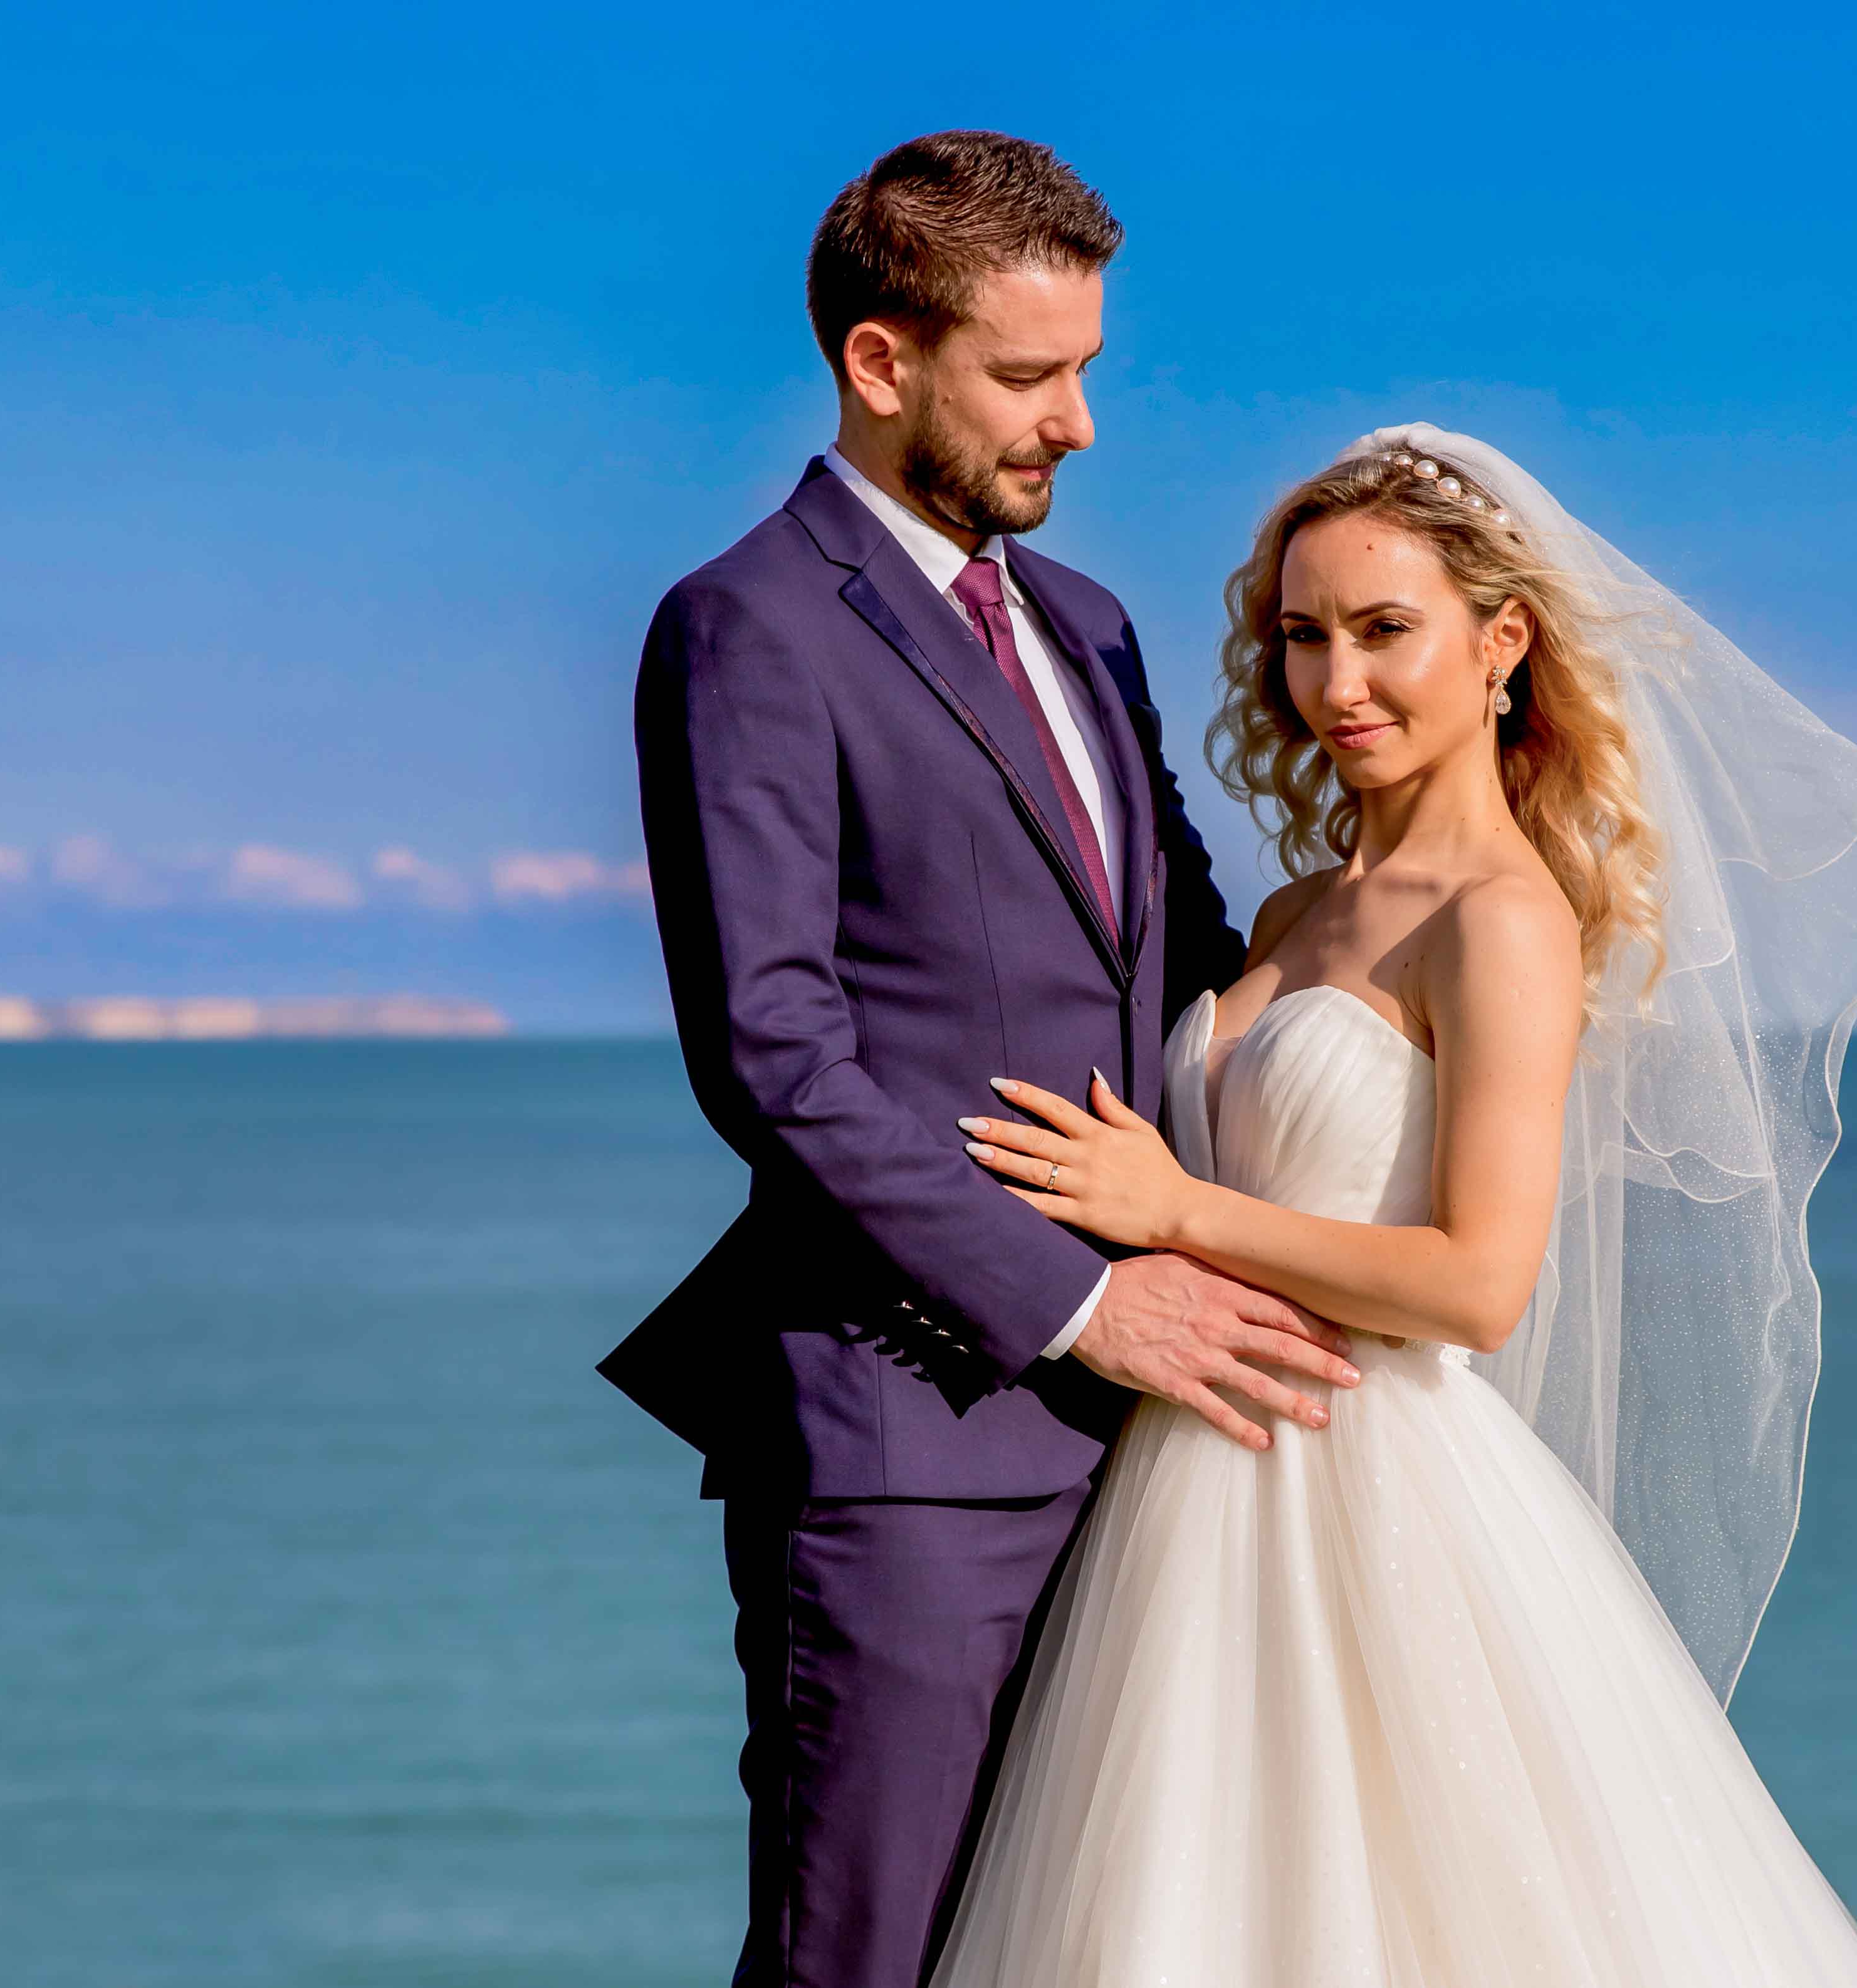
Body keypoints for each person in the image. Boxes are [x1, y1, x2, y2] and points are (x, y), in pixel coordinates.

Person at [930, 425, 1857, 1985]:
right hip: (1188, 1485)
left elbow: (1479, 1281)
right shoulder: (1292, 910)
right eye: (1302, 635)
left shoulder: (1503, 921)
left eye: (1384, 630)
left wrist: (1171, 1209)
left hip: (1377, 1488)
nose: (1337, 682)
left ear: (1504, 642)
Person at [599, 132, 1362, 1988]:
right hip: (903, 1440)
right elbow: (772, 1053)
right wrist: (1075, 1306)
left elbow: (1179, 971)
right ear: (880, 362)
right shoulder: (745, 626)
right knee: (875, 1957)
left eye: (1087, 367)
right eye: (1028, 376)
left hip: (1162, 1449)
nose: (1079, 423)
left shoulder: (1089, 630)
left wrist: (1434, 924)